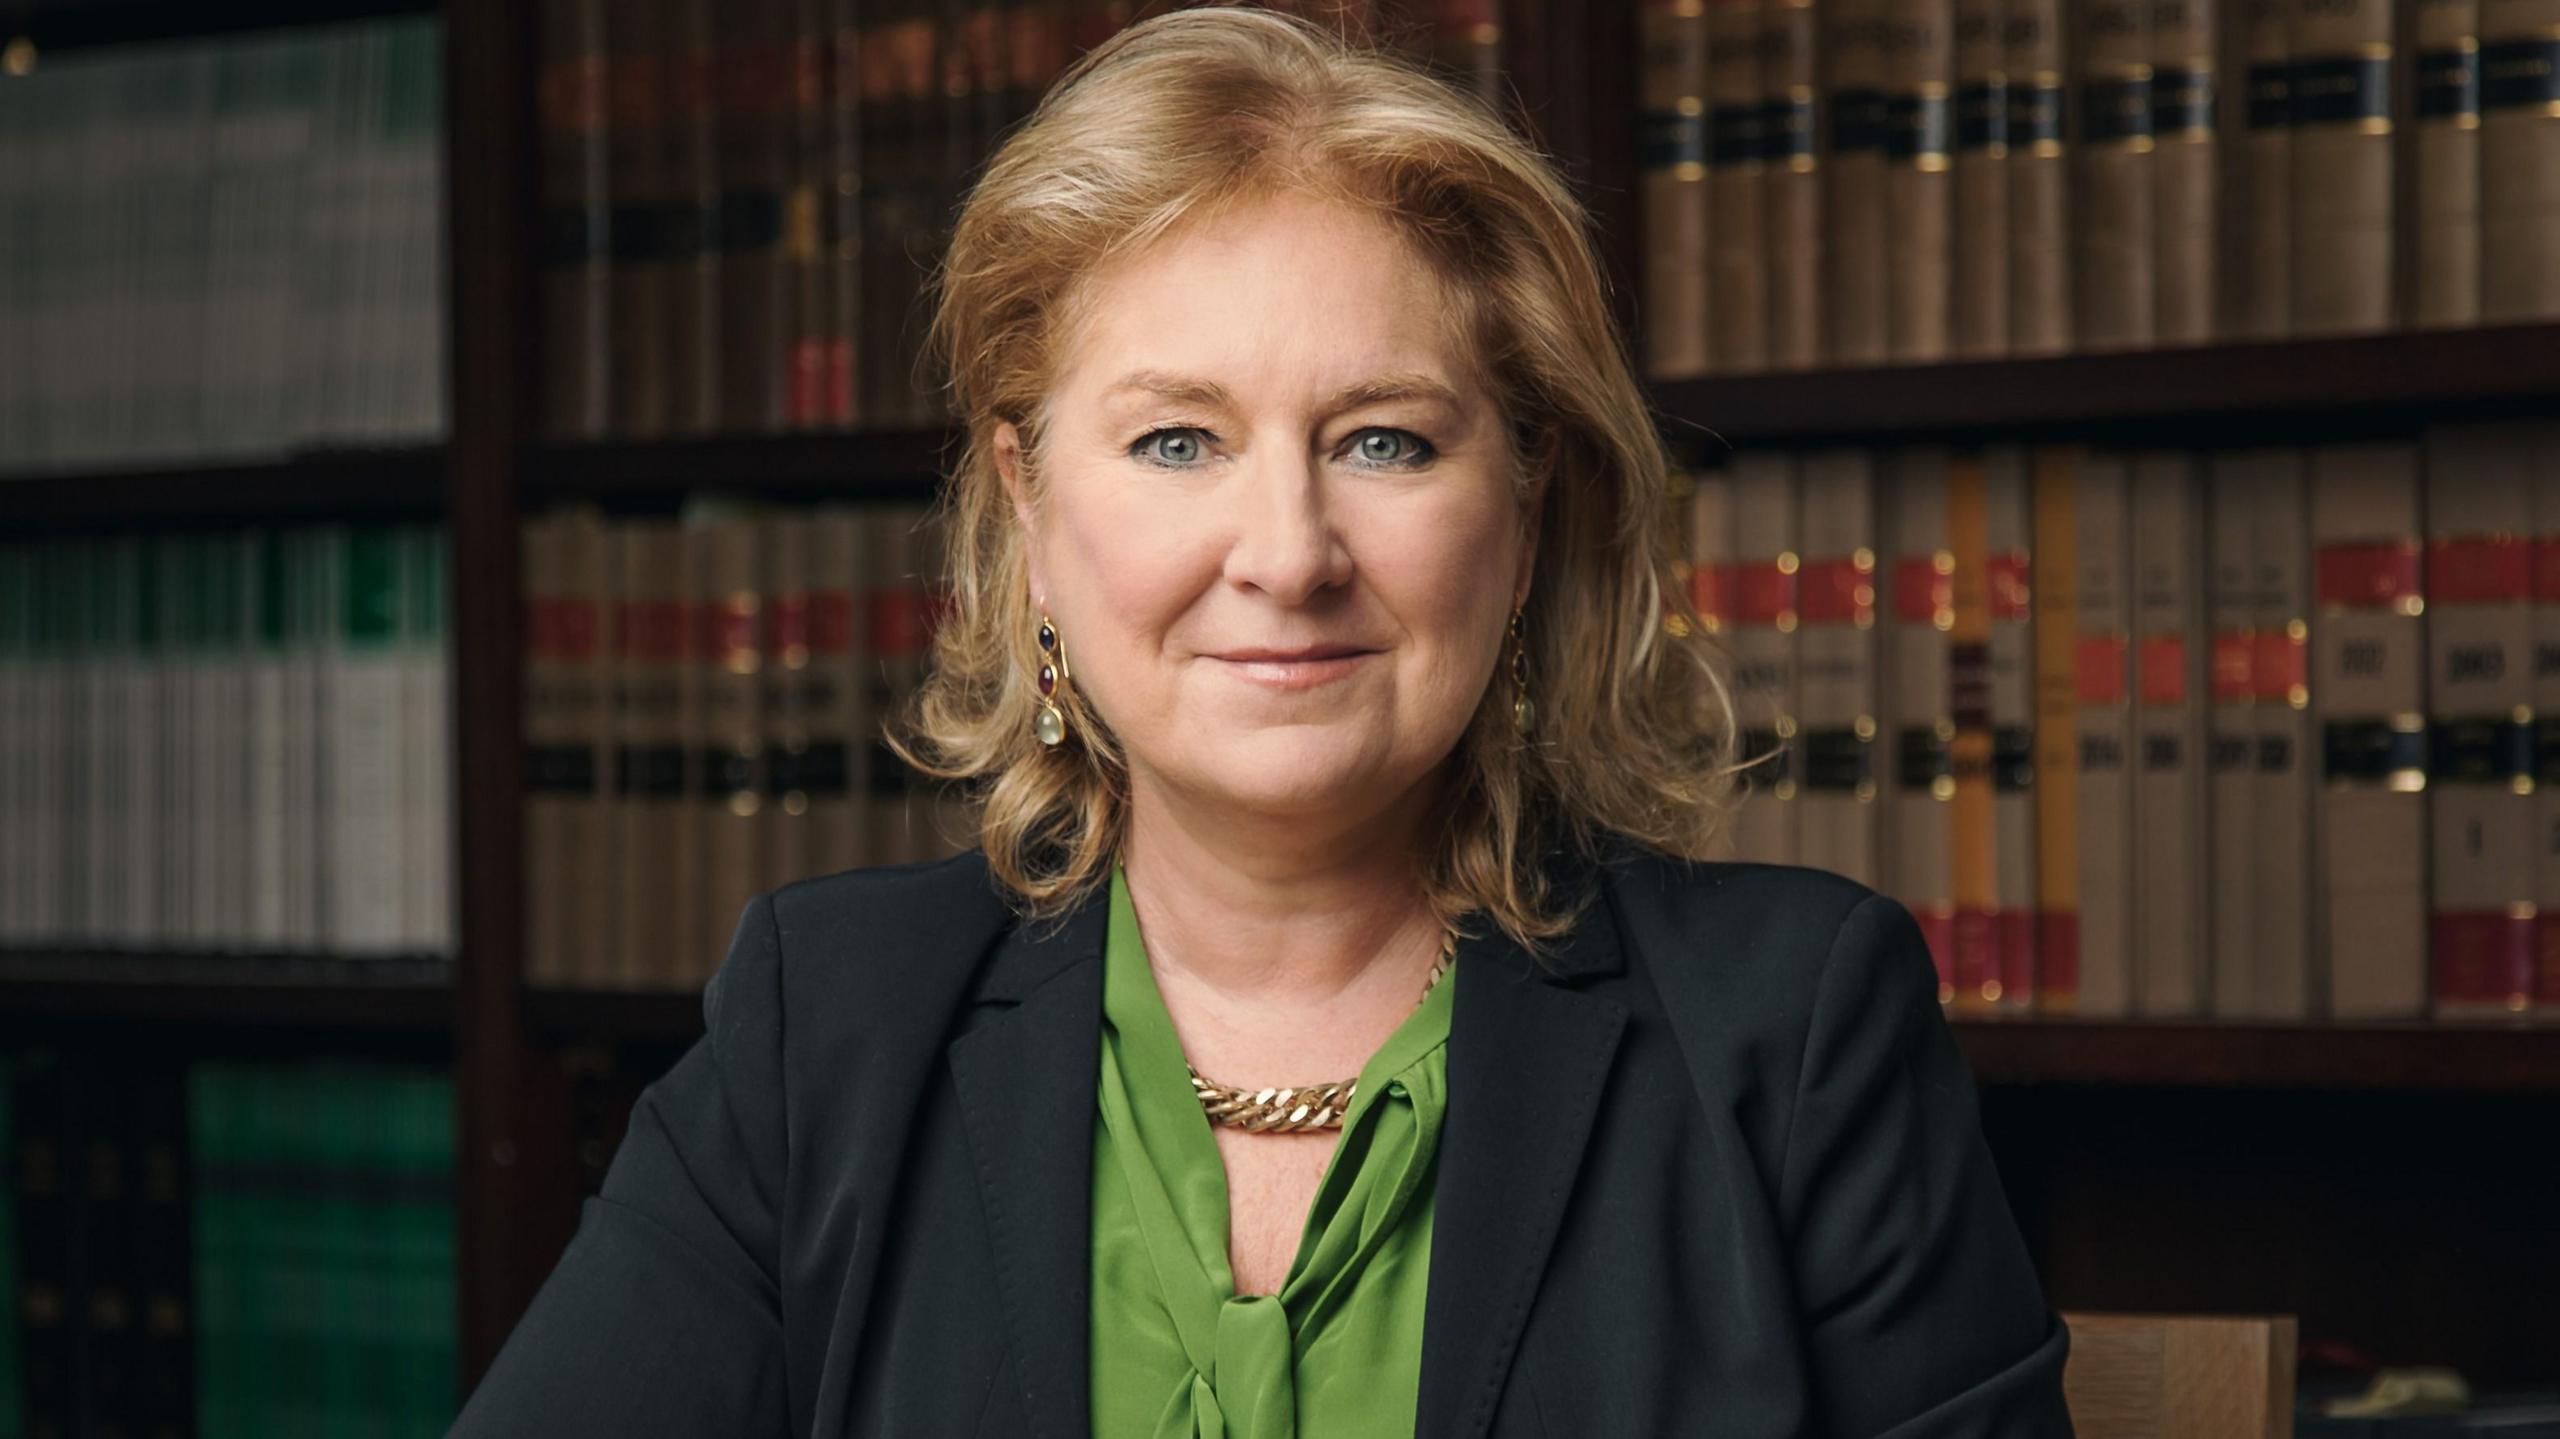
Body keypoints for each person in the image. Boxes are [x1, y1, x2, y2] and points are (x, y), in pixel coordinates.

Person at [449, 7, 2073, 1436]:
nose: (1287, 556)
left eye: (1383, 443)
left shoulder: (1795, 1037)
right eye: (1175, 443)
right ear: (1027, 511)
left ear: (1525, 506)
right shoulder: (826, 1030)